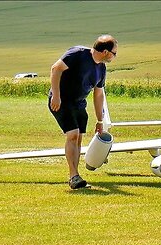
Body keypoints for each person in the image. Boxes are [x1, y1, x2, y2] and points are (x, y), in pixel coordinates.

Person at [48, 34, 118, 189]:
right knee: (72, 135)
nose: (115, 56)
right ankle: (74, 176)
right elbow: (56, 69)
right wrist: (56, 96)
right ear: (106, 51)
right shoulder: (77, 54)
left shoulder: (101, 68)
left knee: (78, 138)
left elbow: (98, 94)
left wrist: (100, 121)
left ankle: (75, 175)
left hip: (79, 104)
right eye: (114, 53)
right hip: (62, 101)